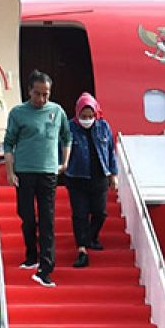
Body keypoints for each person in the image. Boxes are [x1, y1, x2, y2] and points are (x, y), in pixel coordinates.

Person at [4, 70, 72, 287]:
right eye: (38, 94)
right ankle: (31, 255)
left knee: (47, 220)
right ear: (29, 91)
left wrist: (65, 162)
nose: (42, 99)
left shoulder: (57, 111)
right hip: (24, 171)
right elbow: (8, 143)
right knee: (26, 216)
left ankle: (45, 268)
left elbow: (67, 137)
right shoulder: (18, 113)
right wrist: (9, 171)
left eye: (46, 94)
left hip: (48, 173)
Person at [64, 92, 118, 269]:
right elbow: (62, 149)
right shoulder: (69, 128)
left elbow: (110, 152)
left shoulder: (103, 127)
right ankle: (82, 250)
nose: (87, 120)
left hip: (99, 177)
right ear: (77, 114)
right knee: (79, 215)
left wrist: (113, 175)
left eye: (90, 116)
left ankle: (91, 237)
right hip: (77, 177)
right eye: (83, 116)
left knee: (100, 213)